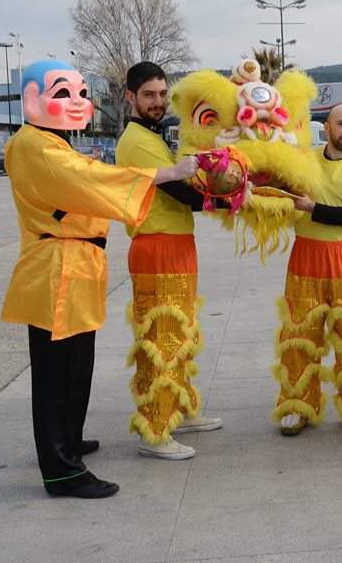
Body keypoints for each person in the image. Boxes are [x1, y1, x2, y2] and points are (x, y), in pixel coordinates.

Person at [1, 59, 198, 498]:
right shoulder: (34, 145)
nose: (77, 103)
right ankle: (61, 469)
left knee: (76, 366)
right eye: (62, 93)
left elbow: (82, 178)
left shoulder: (51, 143)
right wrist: (166, 172)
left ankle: (68, 442)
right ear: (32, 100)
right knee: (58, 373)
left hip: (75, 265)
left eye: (82, 95)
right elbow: (87, 180)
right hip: (56, 265)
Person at [115, 62, 223, 460]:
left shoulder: (154, 137)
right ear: (130, 97)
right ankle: (155, 430)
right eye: (149, 95)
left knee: (181, 333)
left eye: (162, 94)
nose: (158, 102)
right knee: (160, 339)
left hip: (176, 245)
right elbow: (184, 192)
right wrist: (231, 196)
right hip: (156, 247)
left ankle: (179, 407)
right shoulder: (137, 140)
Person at [272, 103, 342, 436]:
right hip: (305, 257)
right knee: (298, 335)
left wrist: (311, 207)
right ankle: (297, 405)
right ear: (326, 126)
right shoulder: (304, 162)